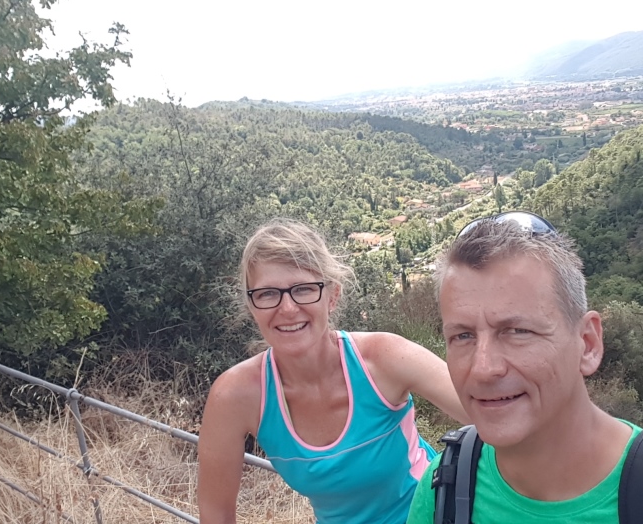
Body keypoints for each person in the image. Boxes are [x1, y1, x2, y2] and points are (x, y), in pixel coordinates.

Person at [407, 211, 643, 524]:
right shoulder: (444, 491)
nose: (483, 368)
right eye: (463, 336)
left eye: (518, 332)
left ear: (588, 345)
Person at [197, 218, 470, 524]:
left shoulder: (383, 359)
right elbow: (216, 513)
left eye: (303, 289)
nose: (287, 309)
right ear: (252, 306)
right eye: (267, 294)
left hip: (432, 514)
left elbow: (484, 408)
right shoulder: (236, 396)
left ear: (332, 296)